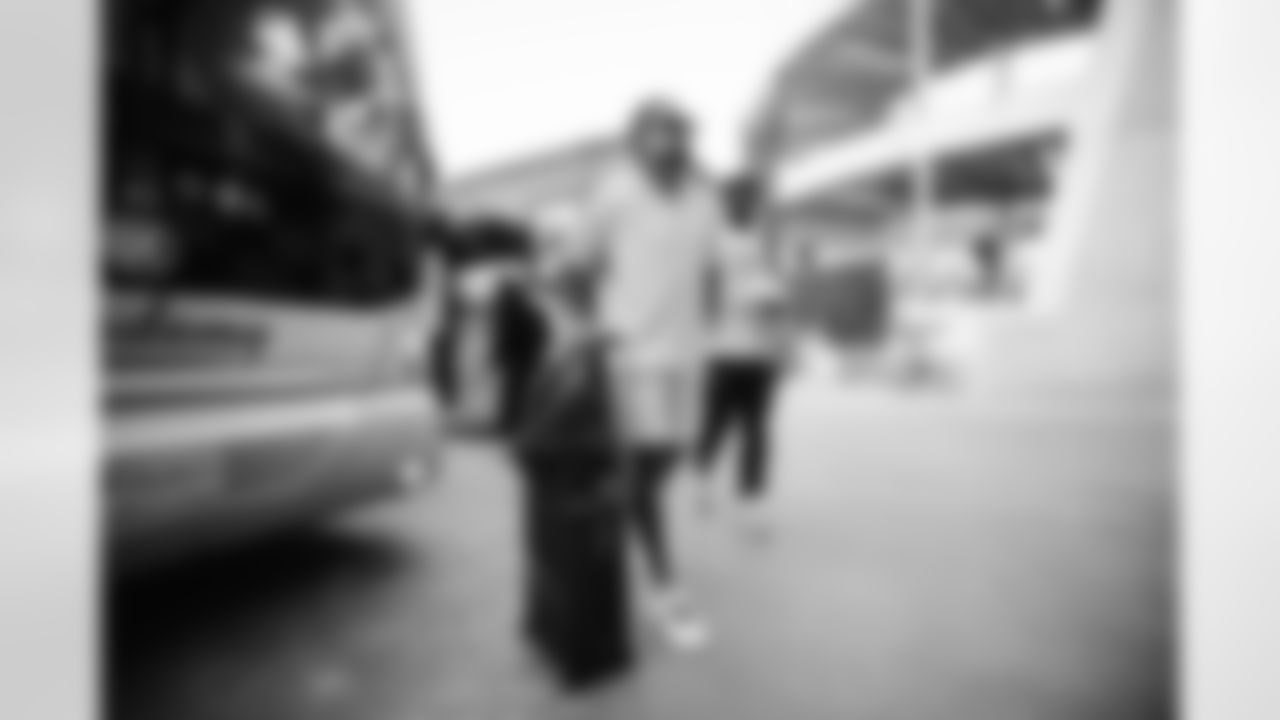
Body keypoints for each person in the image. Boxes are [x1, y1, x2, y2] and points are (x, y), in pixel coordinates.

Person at [575, 98, 724, 651]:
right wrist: (596, 328)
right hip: (632, 353)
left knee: (671, 455)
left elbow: (712, 270)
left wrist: (710, 328)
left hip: (687, 352)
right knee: (645, 464)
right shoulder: (613, 191)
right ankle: (666, 590)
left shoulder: (704, 197)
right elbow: (578, 264)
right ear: (635, 141)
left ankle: (623, 508)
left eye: (678, 133)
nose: (669, 143)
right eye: (657, 133)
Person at [695, 174, 792, 535]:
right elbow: (705, 297)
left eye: (751, 198)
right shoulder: (713, 244)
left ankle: (751, 502)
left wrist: (781, 339)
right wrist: (740, 299)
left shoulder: (766, 244)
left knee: (756, 428)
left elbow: (779, 298)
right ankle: (702, 477)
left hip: (760, 352)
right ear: (726, 202)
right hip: (722, 350)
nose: (746, 204)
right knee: (716, 423)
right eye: (739, 198)